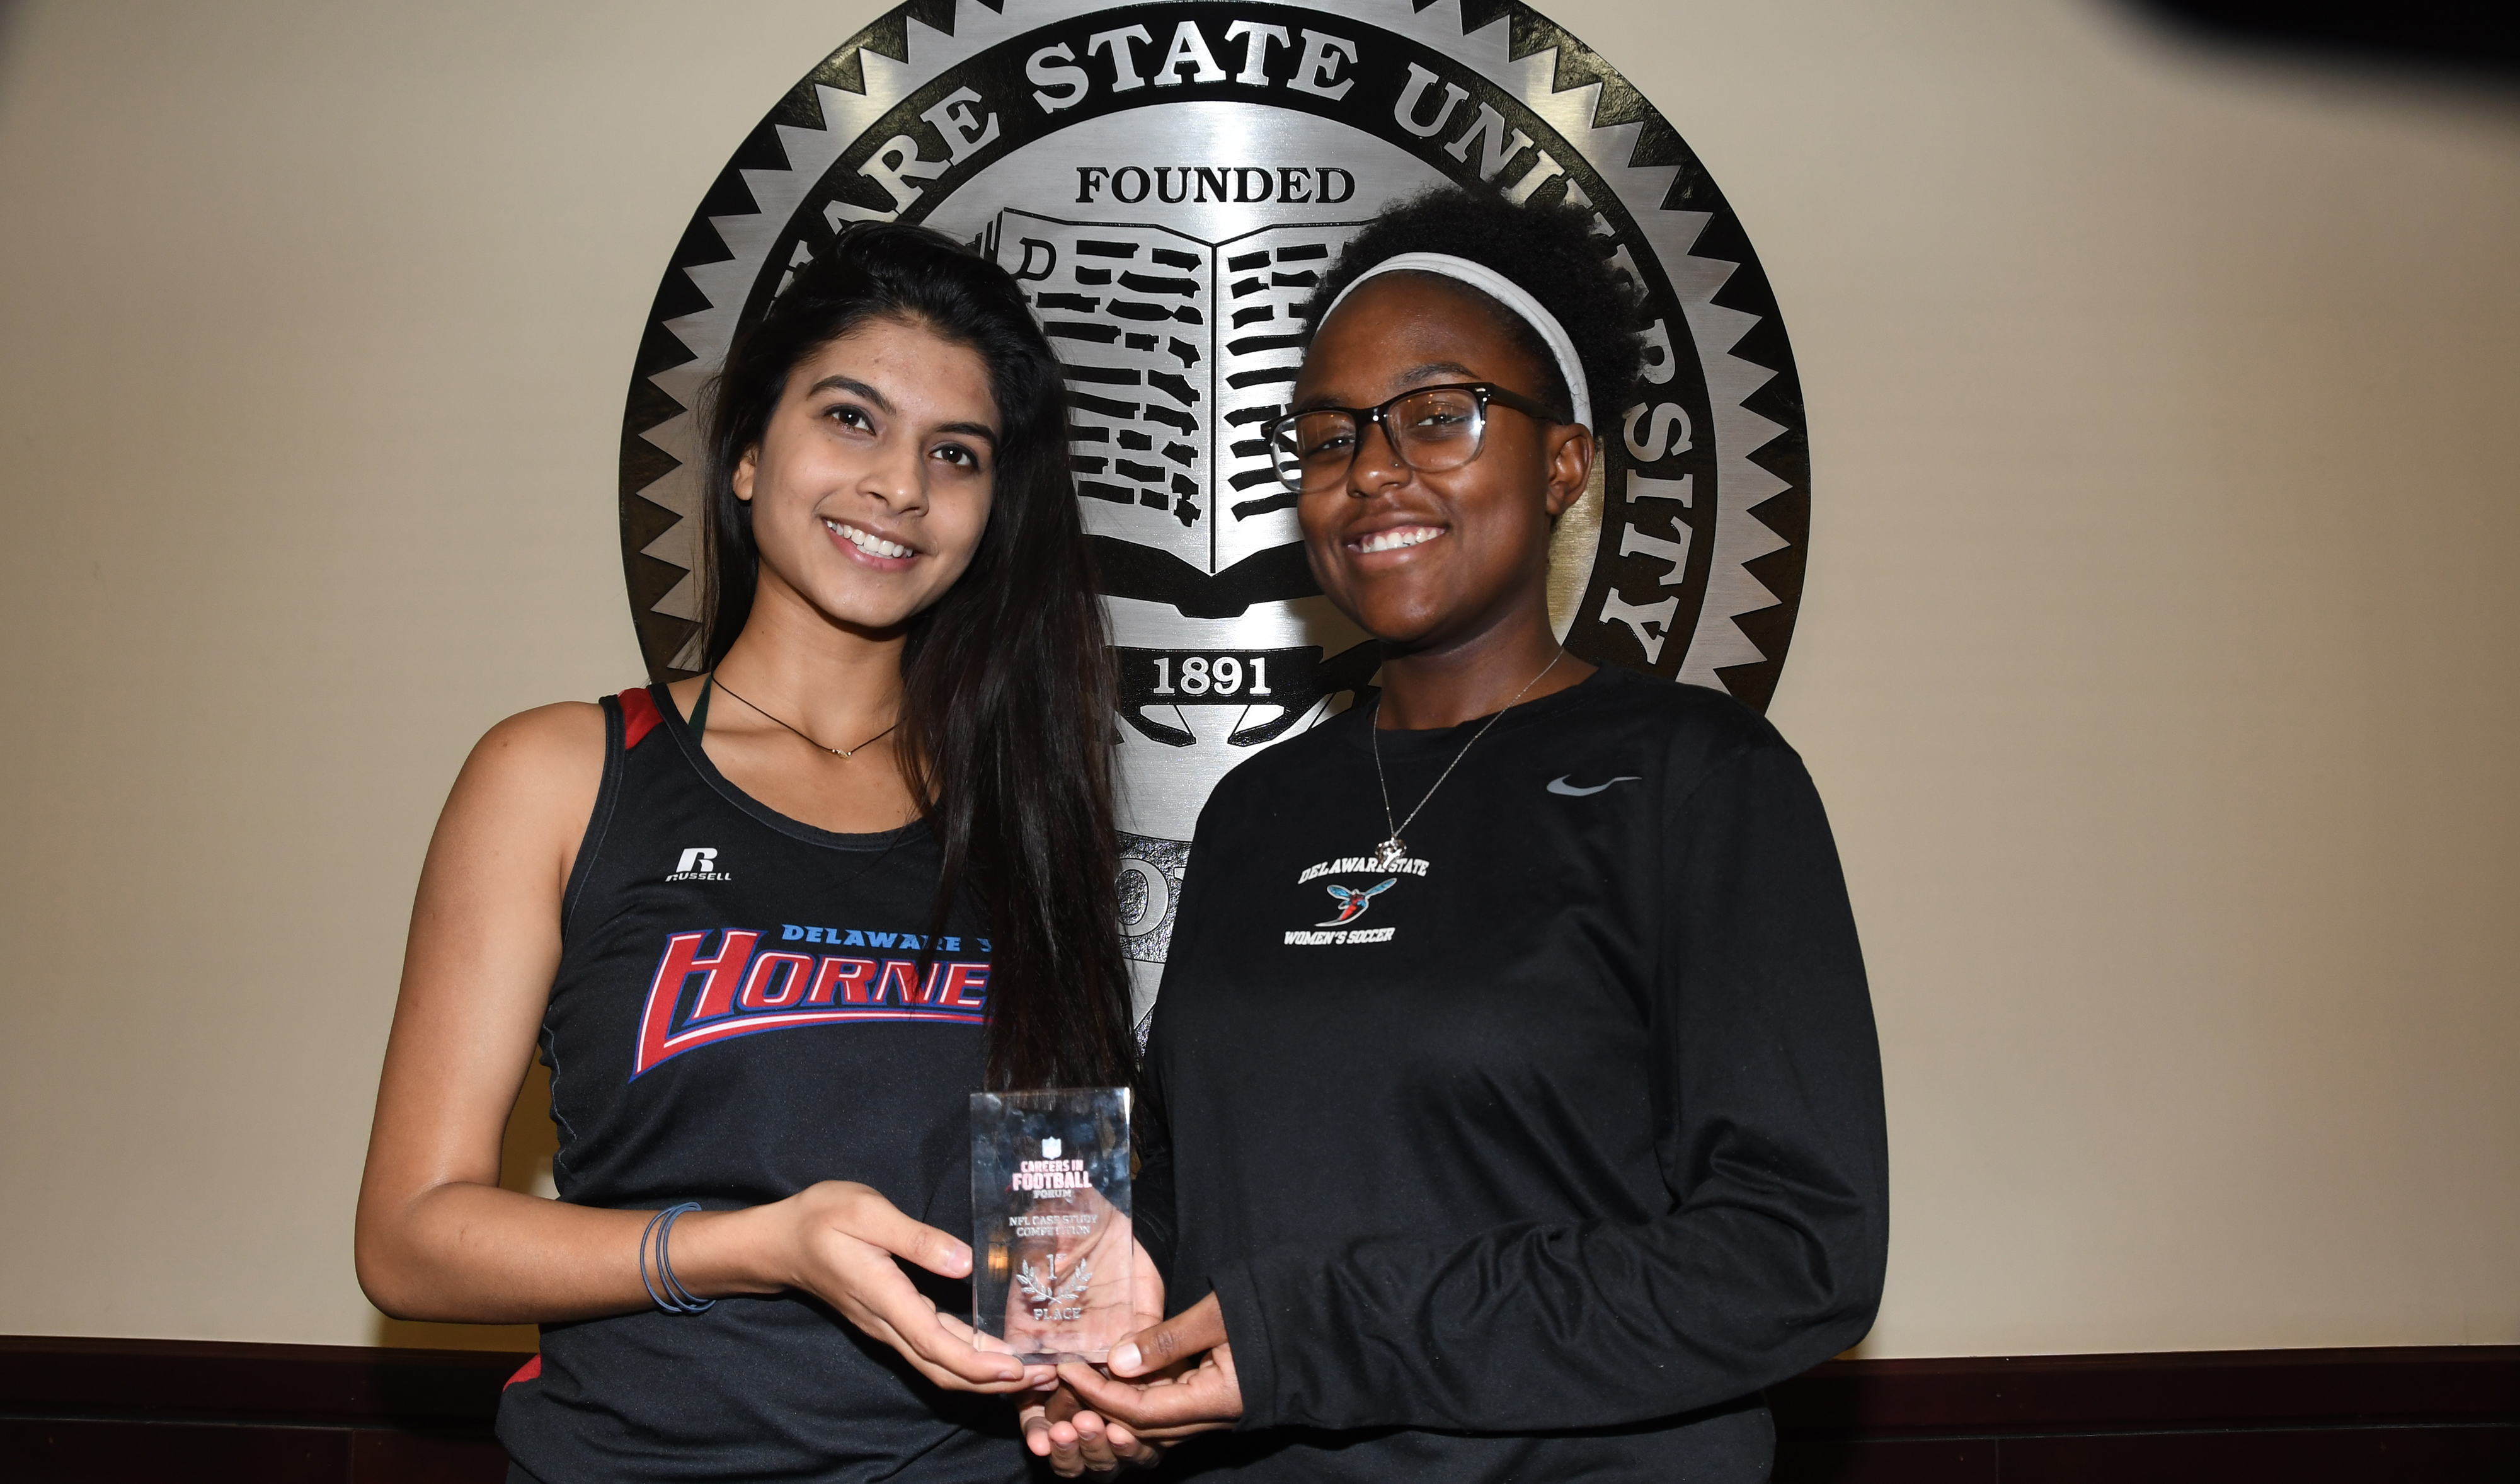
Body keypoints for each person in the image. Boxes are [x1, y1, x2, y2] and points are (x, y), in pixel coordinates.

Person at [1055, 187, 1890, 1481]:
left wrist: (1327, 1329)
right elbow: (1206, 1172)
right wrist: (1102, 1318)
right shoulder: (1258, 808)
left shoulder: (1697, 779)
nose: (1371, 469)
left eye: (1436, 416)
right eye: (1328, 436)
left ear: (1562, 461)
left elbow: (1791, 1254)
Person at [353, 222, 1146, 1484]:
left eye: (955, 454)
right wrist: (757, 1242)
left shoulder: (1027, 812)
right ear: (741, 453)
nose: (899, 485)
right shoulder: (563, 774)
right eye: (850, 418)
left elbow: (1049, 1229)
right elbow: (408, 1238)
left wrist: (1088, 1377)